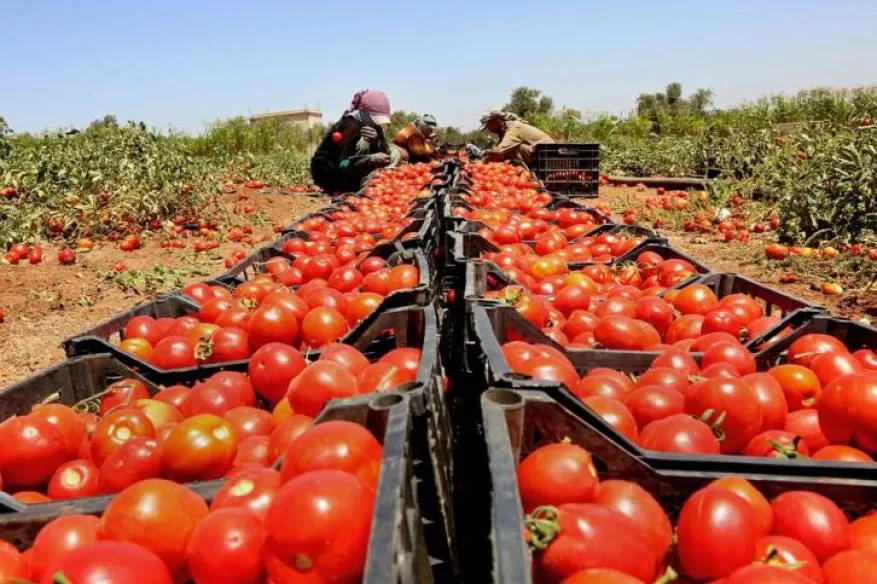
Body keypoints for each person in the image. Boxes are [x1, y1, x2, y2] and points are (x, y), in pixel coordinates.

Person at [310, 89, 401, 193]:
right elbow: (337, 162)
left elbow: (385, 152)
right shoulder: (349, 125)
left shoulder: (373, 125)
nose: (375, 123)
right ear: (364, 113)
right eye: (374, 119)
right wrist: (367, 160)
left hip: (352, 167)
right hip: (330, 173)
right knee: (370, 153)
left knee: (394, 154)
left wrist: (375, 142)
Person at [476, 109, 554, 165]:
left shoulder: (514, 127)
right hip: (537, 153)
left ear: (496, 121)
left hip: (548, 154)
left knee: (511, 148)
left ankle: (527, 176)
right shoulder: (504, 132)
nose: (489, 130)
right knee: (506, 151)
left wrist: (482, 162)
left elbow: (499, 150)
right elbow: (497, 149)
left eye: (489, 126)